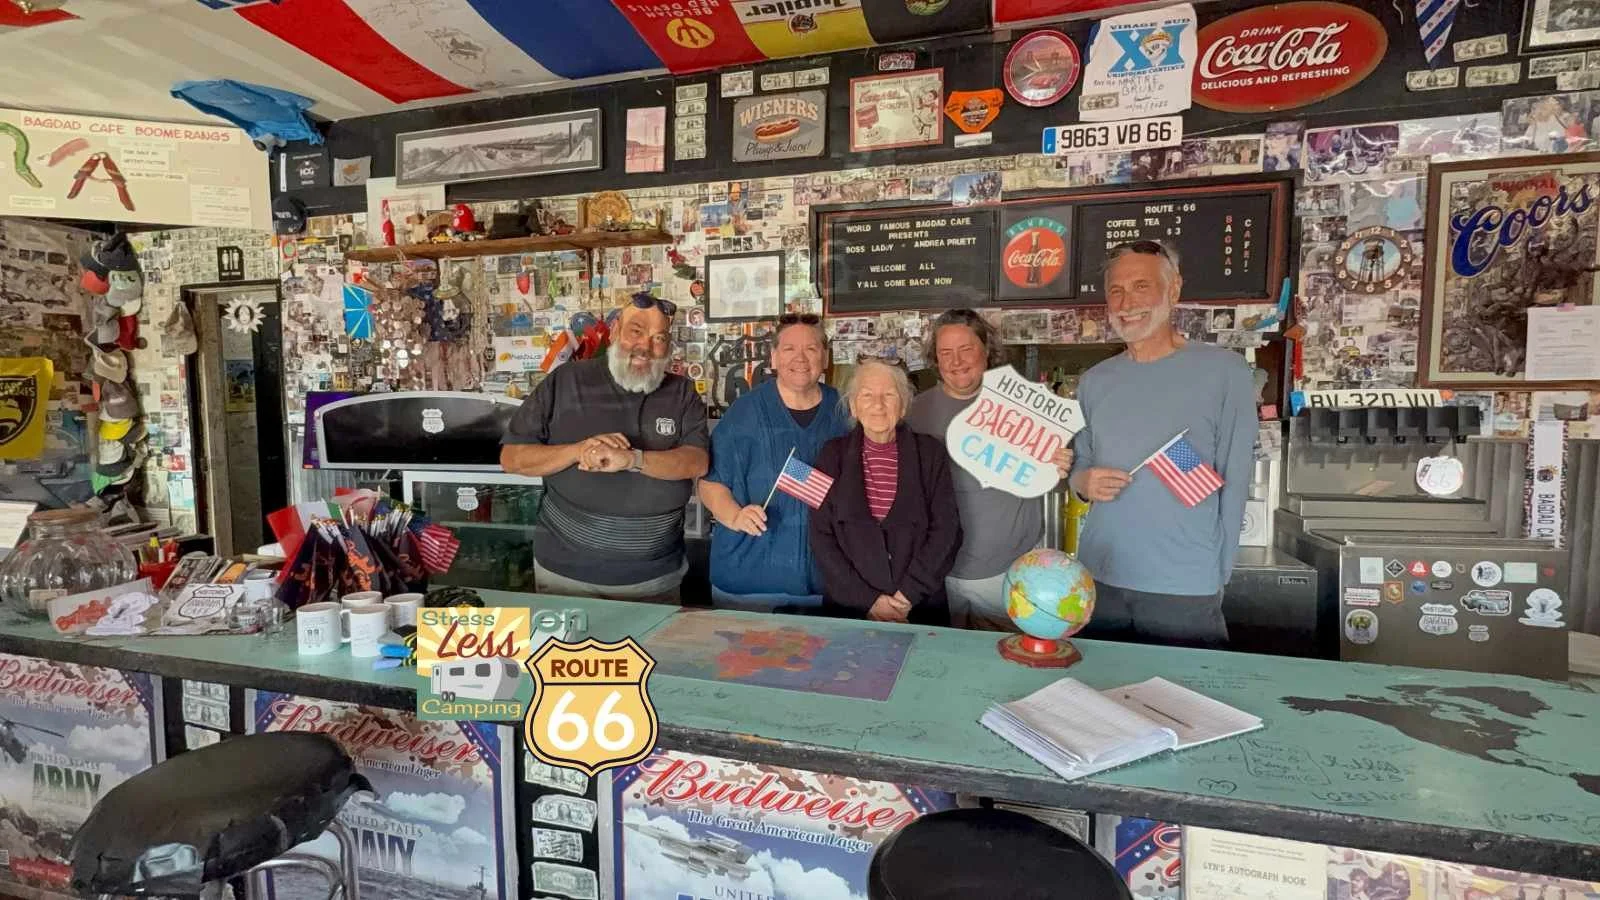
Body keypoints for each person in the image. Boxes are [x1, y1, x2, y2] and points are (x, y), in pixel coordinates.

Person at [1069, 240, 1257, 648]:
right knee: (1102, 701)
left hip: (1184, 585)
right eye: (1116, 290)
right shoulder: (1094, 381)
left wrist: (1216, 573)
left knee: (1187, 706)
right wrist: (1083, 481)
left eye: (1141, 286)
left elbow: (1236, 476)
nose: (1126, 302)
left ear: (1173, 291)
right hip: (1099, 577)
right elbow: (1080, 461)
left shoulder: (1225, 372)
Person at [499, 295, 709, 602]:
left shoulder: (682, 392)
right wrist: (578, 450)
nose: (645, 347)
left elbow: (697, 462)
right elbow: (512, 459)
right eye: (636, 331)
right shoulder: (566, 381)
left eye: (659, 338)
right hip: (565, 576)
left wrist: (631, 459)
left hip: (654, 578)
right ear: (614, 331)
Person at [906, 310, 1072, 630]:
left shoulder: (1025, 406)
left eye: (966, 349)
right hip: (940, 576)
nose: (957, 361)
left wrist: (1061, 466)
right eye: (946, 352)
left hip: (1011, 573)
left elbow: (1058, 484)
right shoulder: (914, 413)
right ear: (935, 359)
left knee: (1008, 667)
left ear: (987, 351)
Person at [698, 313, 848, 611]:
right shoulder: (745, 413)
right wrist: (736, 516)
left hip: (826, 584)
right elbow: (710, 483)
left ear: (826, 357)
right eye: (790, 349)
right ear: (775, 357)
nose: (801, 358)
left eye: (811, 348)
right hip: (749, 582)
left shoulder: (847, 410)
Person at [810, 358, 961, 625]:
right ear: (854, 406)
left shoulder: (930, 454)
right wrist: (869, 601)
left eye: (889, 395)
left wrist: (906, 598)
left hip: (920, 608)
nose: (878, 405)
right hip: (850, 611)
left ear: (902, 406)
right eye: (867, 395)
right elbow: (821, 537)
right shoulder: (830, 455)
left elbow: (947, 533)